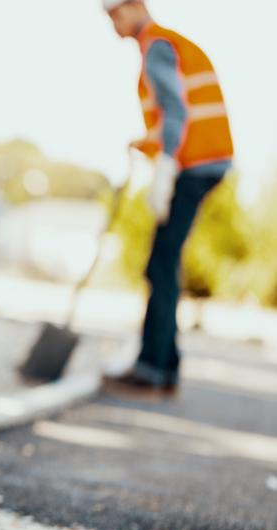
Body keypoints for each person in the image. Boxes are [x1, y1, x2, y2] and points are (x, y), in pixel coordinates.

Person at [101, 0, 233, 392]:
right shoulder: (169, 44)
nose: (112, 23)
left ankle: (152, 369)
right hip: (203, 162)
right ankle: (165, 367)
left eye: (115, 14)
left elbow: (176, 112)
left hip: (194, 166)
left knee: (160, 263)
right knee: (165, 259)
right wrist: (147, 143)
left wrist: (167, 166)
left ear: (136, 6)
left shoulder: (157, 46)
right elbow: (173, 118)